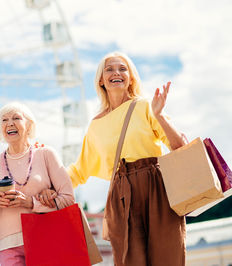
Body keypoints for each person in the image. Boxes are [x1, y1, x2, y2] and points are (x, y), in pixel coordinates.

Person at [67, 52, 187, 265]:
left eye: (123, 69)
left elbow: (179, 147)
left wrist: (159, 115)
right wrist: (44, 169)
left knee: (168, 256)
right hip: (121, 196)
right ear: (100, 80)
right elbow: (78, 170)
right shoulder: (95, 126)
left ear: (131, 77)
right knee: (129, 260)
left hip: (157, 188)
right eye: (109, 69)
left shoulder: (144, 106)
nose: (116, 73)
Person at [0, 102, 75, 266]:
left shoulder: (46, 154)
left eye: (16, 118)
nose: (10, 123)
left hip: (45, 236)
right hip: (7, 244)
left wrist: (31, 203)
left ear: (29, 125)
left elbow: (68, 199)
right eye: (4, 120)